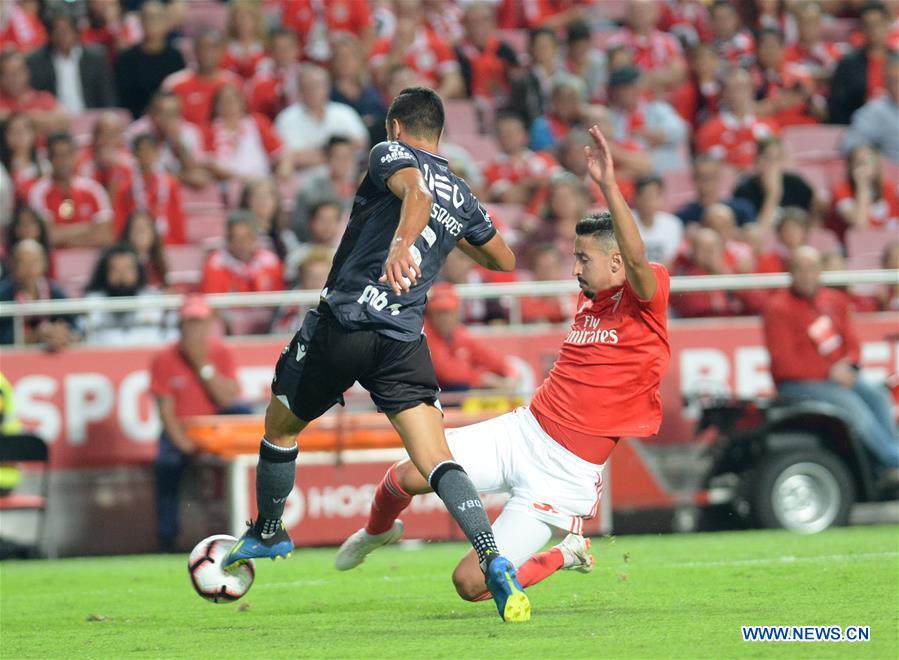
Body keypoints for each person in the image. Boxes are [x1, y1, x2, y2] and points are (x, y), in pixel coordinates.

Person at [221, 87, 528, 623]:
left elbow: (416, 195)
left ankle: (269, 531)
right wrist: (450, 235)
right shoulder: (460, 192)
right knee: (436, 458)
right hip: (402, 341)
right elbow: (503, 257)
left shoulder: (391, 154)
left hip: (346, 324)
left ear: (396, 126)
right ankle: (493, 558)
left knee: (281, 427)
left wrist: (402, 244)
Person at [335, 124, 671, 607]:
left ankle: (569, 552)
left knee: (470, 584)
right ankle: (374, 532)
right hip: (524, 432)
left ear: (617, 264)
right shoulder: (591, 298)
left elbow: (638, 259)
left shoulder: (646, 293)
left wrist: (608, 185)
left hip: (565, 474)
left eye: (584, 259)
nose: (575, 269)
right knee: (406, 474)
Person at [763, 246, 899, 486]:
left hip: (839, 376)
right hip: (798, 385)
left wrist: (849, 364)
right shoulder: (777, 308)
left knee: (878, 396)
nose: (806, 275)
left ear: (820, 271)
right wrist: (829, 372)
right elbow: (784, 365)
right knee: (851, 404)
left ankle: (886, 463)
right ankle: (892, 459)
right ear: (790, 272)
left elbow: (852, 344)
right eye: (799, 269)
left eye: (812, 268)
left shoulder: (835, 300)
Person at [149, 294, 245, 552]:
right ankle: (166, 538)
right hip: (182, 433)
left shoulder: (221, 353)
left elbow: (227, 398)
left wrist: (201, 364)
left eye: (199, 323)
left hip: (217, 431)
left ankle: (246, 528)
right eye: (189, 324)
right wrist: (187, 446)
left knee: (244, 414)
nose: (195, 330)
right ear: (180, 327)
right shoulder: (163, 359)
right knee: (166, 463)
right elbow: (165, 412)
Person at [199, 210, 284, 335]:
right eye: (236, 238)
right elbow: (212, 307)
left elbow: (280, 302)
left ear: (255, 237)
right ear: (228, 239)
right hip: (229, 330)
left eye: (247, 237)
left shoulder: (271, 262)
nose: (242, 244)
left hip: (268, 327)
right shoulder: (215, 264)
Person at [423, 282, 517, 393]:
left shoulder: (460, 333)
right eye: (439, 313)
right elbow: (446, 372)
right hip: (434, 395)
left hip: (454, 396)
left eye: (448, 312)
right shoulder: (424, 334)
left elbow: (496, 360)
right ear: (430, 315)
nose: (444, 318)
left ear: (456, 313)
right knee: (462, 388)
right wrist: (482, 378)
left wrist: (510, 375)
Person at [27, 132, 113, 248]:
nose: (63, 161)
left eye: (67, 155)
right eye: (57, 155)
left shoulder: (94, 189)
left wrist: (63, 235)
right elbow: (48, 236)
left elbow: (105, 236)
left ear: (75, 156)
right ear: (49, 158)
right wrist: (88, 227)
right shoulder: (38, 191)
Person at [275, 65, 368, 170]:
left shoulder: (344, 112)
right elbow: (288, 158)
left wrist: (315, 154)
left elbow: (361, 143)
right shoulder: (286, 119)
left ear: (327, 88)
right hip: (306, 181)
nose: (313, 90)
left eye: (318, 85)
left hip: (348, 179)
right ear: (299, 90)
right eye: (308, 86)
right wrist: (337, 153)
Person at [80, 243, 174, 346]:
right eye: (115, 270)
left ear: (138, 272)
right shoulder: (92, 302)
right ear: (105, 273)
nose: (122, 276)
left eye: (128, 269)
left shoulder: (155, 299)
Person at [25, 9, 117, 113]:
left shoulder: (96, 58)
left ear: (76, 32)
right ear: (50, 35)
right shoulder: (37, 62)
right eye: (57, 31)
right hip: (54, 120)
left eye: (66, 31)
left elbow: (107, 96)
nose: (62, 36)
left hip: (91, 118)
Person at [605, 65, 688, 173]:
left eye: (629, 88)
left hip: (663, 168)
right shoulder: (614, 117)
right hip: (633, 169)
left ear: (637, 88)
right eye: (621, 90)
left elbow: (680, 131)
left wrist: (650, 134)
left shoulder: (656, 108)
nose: (625, 93)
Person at [695, 68, 779, 171]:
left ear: (752, 90)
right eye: (731, 89)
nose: (737, 94)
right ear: (722, 93)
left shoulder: (769, 126)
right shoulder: (708, 131)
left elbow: (780, 163)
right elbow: (706, 172)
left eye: (742, 87)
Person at [203, 84, 291, 183]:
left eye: (233, 100)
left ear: (242, 103)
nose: (230, 105)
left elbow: (281, 152)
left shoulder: (257, 122)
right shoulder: (209, 130)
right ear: (216, 107)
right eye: (225, 102)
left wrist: (283, 172)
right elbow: (209, 163)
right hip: (226, 184)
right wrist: (241, 178)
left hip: (261, 181)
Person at [828, 0, 896, 125]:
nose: (874, 30)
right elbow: (837, 109)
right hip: (860, 126)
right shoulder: (847, 65)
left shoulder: (897, 61)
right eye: (868, 25)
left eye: (878, 24)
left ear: (887, 25)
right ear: (862, 29)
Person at [114, 1, 185, 119]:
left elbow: (179, 95)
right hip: (136, 121)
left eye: (157, 18)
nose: (153, 23)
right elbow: (122, 99)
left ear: (166, 22)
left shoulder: (175, 57)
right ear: (141, 22)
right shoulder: (126, 59)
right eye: (148, 18)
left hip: (170, 120)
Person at [0, 239, 76, 348]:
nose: (29, 268)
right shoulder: (3, 294)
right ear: (13, 264)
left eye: (34, 262)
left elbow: (75, 327)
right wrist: (36, 335)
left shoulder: (55, 291)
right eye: (23, 263)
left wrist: (61, 334)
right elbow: (3, 337)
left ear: (44, 263)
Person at [125, 91, 208, 188]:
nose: (168, 119)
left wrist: (177, 142)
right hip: (145, 187)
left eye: (174, 113)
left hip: (176, 186)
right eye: (163, 113)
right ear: (151, 113)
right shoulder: (136, 132)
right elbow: (138, 171)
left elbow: (194, 170)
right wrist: (179, 178)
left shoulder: (189, 131)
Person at [161, 29, 242, 128]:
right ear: (194, 50)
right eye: (202, 47)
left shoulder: (234, 82)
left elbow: (243, 120)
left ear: (222, 51)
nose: (207, 52)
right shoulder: (175, 83)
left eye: (213, 47)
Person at [116, 132, 186, 245]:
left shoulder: (169, 183)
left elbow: (177, 218)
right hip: (134, 244)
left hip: (167, 243)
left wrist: (177, 243)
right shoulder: (126, 186)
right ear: (134, 154)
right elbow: (120, 221)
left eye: (149, 150)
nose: (145, 155)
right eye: (141, 150)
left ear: (156, 152)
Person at [606, 0, 687, 96]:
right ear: (628, 14)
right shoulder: (616, 42)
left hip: (665, 100)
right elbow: (623, 78)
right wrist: (661, 78)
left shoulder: (668, 40)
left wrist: (646, 79)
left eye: (645, 10)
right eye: (637, 10)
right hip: (631, 103)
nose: (641, 14)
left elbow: (679, 73)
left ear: (655, 13)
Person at [732, 136, 815, 230]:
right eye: (769, 158)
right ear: (757, 161)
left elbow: (813, 213)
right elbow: (756, 234)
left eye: (778, 158)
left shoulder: (795, 183)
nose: (773, 165)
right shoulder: (744, 190)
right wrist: (772, 195)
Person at [291, 136, 359, 241]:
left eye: (346, 157)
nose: (342, 162)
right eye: (337, 157)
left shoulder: (358, 189)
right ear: (327, 159)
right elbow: (299, 226)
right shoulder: (310, 190)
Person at [483, 111, 559, 205]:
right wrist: (540, 185)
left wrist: (528, 185)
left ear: (526, 135)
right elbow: (509, 197)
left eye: (512, 132)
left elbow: (564, 183)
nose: (508, 137)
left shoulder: (544, 157)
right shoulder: (491, 168)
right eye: (503, 133)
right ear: (497, 138)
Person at [830, 144, 899, 236]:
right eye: (860, 162)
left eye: (870, 160)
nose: (865, 165)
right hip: (852, 246)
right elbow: (860, 226)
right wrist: (862, 185)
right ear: (851, 167)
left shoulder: (889, 188)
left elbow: (893, 225)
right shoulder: (841, 190)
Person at [842, 52, 899, 163]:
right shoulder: (874, 111)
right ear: (885, 82)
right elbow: (851, 145)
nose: (896, 85)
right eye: (891, 80)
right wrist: (876, 160)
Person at [0, 51, 69, 136]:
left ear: (27, 73)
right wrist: (39, 122)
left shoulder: (44, 98)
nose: (11, 79)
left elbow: (66, 121)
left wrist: (14, 117)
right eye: (6, 74)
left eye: (15, 74)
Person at [675, 153, 756, 226]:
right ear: (694, 178)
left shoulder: (741, 209)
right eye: (701, 177)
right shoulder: (684, 215)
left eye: (711, 177)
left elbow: (757, 237)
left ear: (719, 177)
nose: (706, 183)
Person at [246, 28, 301, 122]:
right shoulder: (260, 81)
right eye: (278, 48)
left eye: (287, 48)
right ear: (271, 52)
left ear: (297, 49)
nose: (283, 53)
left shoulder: (307, 77)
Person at [631, 175, 683, 267]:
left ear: (661, 198)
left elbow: (669, 261)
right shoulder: (626, 222)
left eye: (653, 196)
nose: (649, 202)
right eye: (645, 197)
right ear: (636, 198)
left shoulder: (673, 224)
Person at [121, 209, 169, 289]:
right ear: (128, 233)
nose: (141, 231)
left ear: (154, 233)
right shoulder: (119, 259)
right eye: (136, 227)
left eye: (145, 227)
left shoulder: (159, 262)